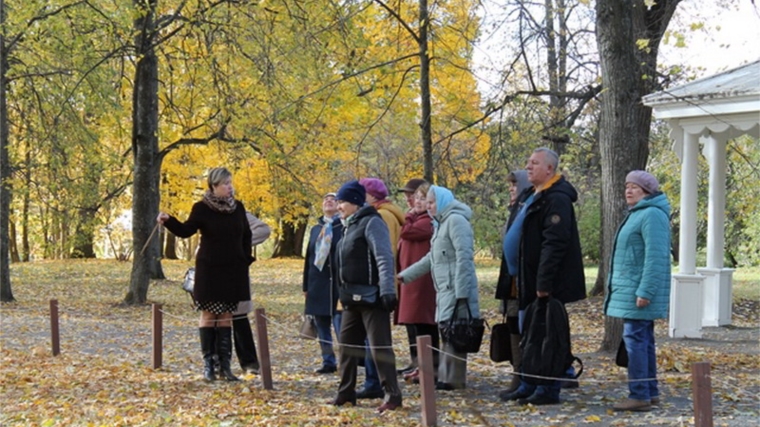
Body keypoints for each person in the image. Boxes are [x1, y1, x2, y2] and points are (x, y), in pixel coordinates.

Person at [499, 147, 586, 405]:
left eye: (534, 163)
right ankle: (528, 382)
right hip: (524, 278)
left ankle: (548, 389)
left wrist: (544, 282)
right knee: (530, 335)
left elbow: (555, 243)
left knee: (547, 337)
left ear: (549, 169)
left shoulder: (556, 198)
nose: (528, 166)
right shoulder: (531, 194)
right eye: (528, 162)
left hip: (544, 283)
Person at [157, 167, 254, 382]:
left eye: (230, 183)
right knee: (210, 314)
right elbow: (185, 230)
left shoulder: (238, 207)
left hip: (233, 270)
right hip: (210, 270)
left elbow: (246, 235)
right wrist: (169, 220)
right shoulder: (201, 208)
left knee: (227, 316)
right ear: (214, 186)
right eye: (225, 184)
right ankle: (209, 365)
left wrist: (245, 259)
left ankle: (225, 367)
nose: (230, 187)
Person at [397, 185, 480, 391]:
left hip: (456, 288)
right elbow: (431, 258)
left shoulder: (455, 221)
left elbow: (464, 258)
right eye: (428, 202)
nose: (428, 206)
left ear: (442, 202)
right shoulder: (440, 224)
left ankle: (453, 379)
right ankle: (447, 377)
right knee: (448, 332)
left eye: (432, 202)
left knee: (456, 333)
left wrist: (461, 292)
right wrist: (405, 276)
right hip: (444, 288)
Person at [330, 180, 402, 413]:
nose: (339, 206)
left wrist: (388, 290)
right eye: (339, 201)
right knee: (347, 347)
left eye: (343, 202)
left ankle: (392, 395)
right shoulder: (349, 225)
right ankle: (346, 393)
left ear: (356, 202)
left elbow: (384, 257)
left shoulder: (372, 222)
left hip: (373, 297)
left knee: (380, 348)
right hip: (351, 298)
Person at [605, 170, 671, 412]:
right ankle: (649, 393)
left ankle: (639, 394)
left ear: (647, 192)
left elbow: (656, 257)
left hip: (638, 292)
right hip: (631, 290)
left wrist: (645, 291)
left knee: (636, 341)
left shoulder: (651, 215)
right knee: (643, 341)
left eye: (635, 187)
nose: (629, 191)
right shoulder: (639, 213)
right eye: (627, 186)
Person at [355, 178, 406, 399]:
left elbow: (383, 254)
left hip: (376, 286)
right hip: (375, 285)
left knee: (375, 340)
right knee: (372, 339)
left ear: (372, 196)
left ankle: (375, 382)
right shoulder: (383, 213)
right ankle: (373, 381)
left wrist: (384, 286)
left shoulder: (381, 216)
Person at [396, 180, 438, 384]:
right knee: (413, 324)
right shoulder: (415, 218)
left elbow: (406, 231)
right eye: (415, 197)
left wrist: (409, 214)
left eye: (421, 198)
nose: (414, 201)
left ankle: (429, 368)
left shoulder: (425, 221)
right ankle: (418, 364)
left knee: (424, 324)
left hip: (422, 281)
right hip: (410, 278)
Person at [494, 170, 531, 393]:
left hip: (521, 280)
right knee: (511, 324)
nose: (511, 188)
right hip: (510, 280)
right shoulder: (514, 210)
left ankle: (523, 375)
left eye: (515, 185)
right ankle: (518, 373)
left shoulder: (527, 208)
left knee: (520, 325)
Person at [302, 193, 344, 374]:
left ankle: (347, 361)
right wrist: (305, 286)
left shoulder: (343, 227)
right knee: (321, 326)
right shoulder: (315, 229)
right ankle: (328, 361)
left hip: (337, 284)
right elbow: (309, 259)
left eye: (333, 199)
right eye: (325, 199)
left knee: (341, 325)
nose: (328, 201)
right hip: (317, 284)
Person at [231, 212, 271, 375]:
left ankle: (249, 363)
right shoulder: (204, 212)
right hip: (212, 273)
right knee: (214, 320)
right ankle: (217, 363)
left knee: (239, 318)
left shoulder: (238, 212)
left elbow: (263, 229)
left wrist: (237, 242)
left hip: (235, 273)